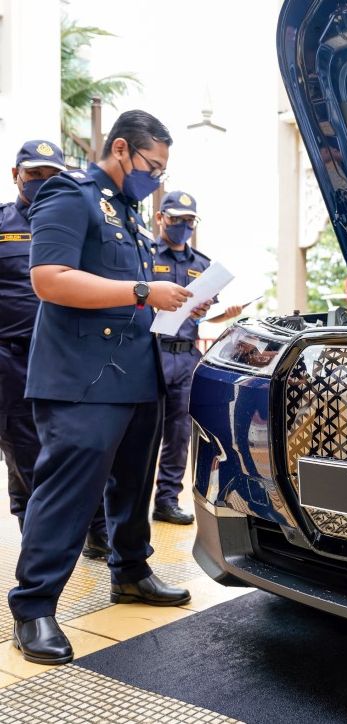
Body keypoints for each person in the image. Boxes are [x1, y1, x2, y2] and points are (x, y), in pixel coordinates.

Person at [9, 111, 194, 666]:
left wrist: (176, 299)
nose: (156, 179)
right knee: (66, 494)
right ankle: (34, 607)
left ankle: (131, 573)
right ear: (120, 149)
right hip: (81, 378)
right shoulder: (72, 193)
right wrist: (144, 290)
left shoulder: (132, 215)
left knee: (133, 488)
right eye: (151, 166)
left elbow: (125, 293)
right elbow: (50, 279)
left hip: (136, 374)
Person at [0, 140, 111, 558]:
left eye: (53, 176)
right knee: (26, 457)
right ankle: (38, 551)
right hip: (12, 360)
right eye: (35, 175)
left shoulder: (84, 221)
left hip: (69, 358)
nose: (44, 183)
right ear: (16, 176)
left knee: (85, 448)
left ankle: (99, 534)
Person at [151, 190, 241, 524]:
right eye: (176, 219)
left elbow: (200, 317)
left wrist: (225, 314)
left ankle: (166, 500)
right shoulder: (145, 256)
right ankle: (119, 504)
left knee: (178, 434)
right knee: (141, 431)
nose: (183, 226)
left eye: (189, 221)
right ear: (161, 218)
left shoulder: (202, 266)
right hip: (151, 354)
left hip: (184, 356)